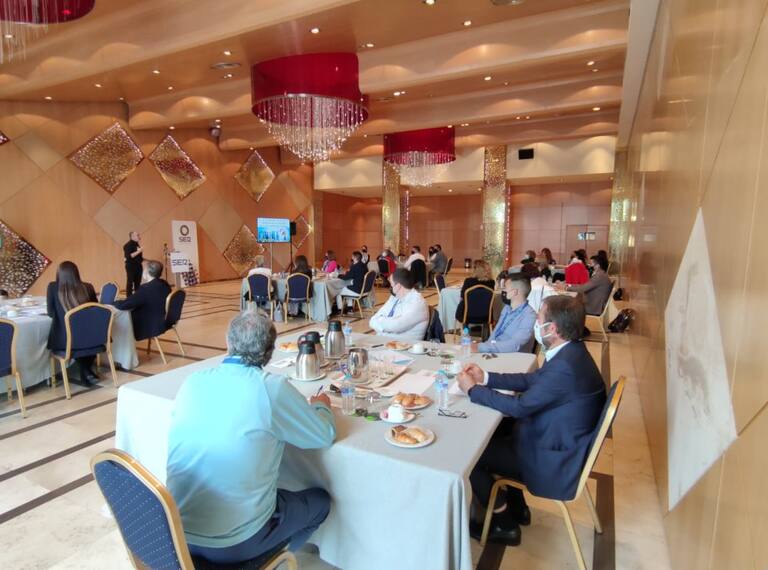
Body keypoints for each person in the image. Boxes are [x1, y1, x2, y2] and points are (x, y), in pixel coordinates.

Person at [167, 311, 336, 565]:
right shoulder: (270, 388)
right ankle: (267, 562)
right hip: (234, 542)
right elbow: (323, 435)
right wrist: (321, 406)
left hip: (173, 532)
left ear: (227, 342)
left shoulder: (193, 382)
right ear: (269, 352)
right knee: (320, 503)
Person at [457, 295, 606, 546]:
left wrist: (473, 390)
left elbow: (519, 407)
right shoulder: (571, 352)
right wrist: (486, 377)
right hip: (557, 439)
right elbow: (532, 381)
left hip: (551, 460)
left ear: (552, 329)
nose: (536, 323)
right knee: (498, 430)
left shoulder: (564, 367)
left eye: (539, 319)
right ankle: (518, 507)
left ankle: (504, 524)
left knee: (471, 453)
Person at [46, 261, 99, 385]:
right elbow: (96, 310)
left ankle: (85, 370)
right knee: (84, 342)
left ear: (59, 274)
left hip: (65, 338)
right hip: (92, 336)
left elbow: (50, 313)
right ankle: (86, 370)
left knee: (74, 341)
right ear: (76, 273)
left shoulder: (53, 287)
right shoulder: (87, 287)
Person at [472, 274, 536, 354]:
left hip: (512, 356)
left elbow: (515, 345)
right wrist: (484, 347)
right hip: (494, 352)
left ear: (514, 292)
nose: (503, 291)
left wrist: (482, 347)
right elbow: (496, 332)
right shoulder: (507, 308)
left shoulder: (529, 315)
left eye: (505, 287)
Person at [114, 260, 172, 342]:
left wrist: (114, 302)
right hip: (163, 320)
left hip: (150, 323)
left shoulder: (146, 289)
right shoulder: (165, 284)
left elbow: (124, 305)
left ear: (147, 272)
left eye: (144, 269)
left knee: (119, 318)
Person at [369, 268, 429, 341]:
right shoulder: (395, 298)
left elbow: (396, 326)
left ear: (398, 286)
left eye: (391, 285)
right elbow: (372, 320)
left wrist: (381, 321)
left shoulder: (417, 303)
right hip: (386, 341)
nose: (390, 287)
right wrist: (389, 322)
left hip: (403, 345)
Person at [123, 231, 143, 297]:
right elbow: (128, 256)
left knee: (138, 283)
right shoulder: (128, 245)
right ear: (132, 237)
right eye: (137, 235)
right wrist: (139, 251)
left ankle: (137, 297)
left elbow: (138, 257)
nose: (139, 236)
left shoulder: (137, 244)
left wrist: (149, 260)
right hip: (131, 267)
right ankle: (129, 298)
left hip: (138, 266)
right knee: (130, 282)